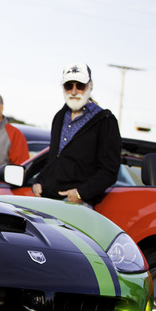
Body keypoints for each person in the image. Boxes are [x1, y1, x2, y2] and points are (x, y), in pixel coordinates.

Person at [31, 63, 121, 207]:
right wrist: (38, 181)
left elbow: (109, 170)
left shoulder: (105, 121)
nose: (74, 91)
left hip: (78, 205)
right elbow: (53, 159)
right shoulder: (59, 117)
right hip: (48, 200)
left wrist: (81, 193)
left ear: (90, 86)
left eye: (80, 85)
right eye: (68, 86)